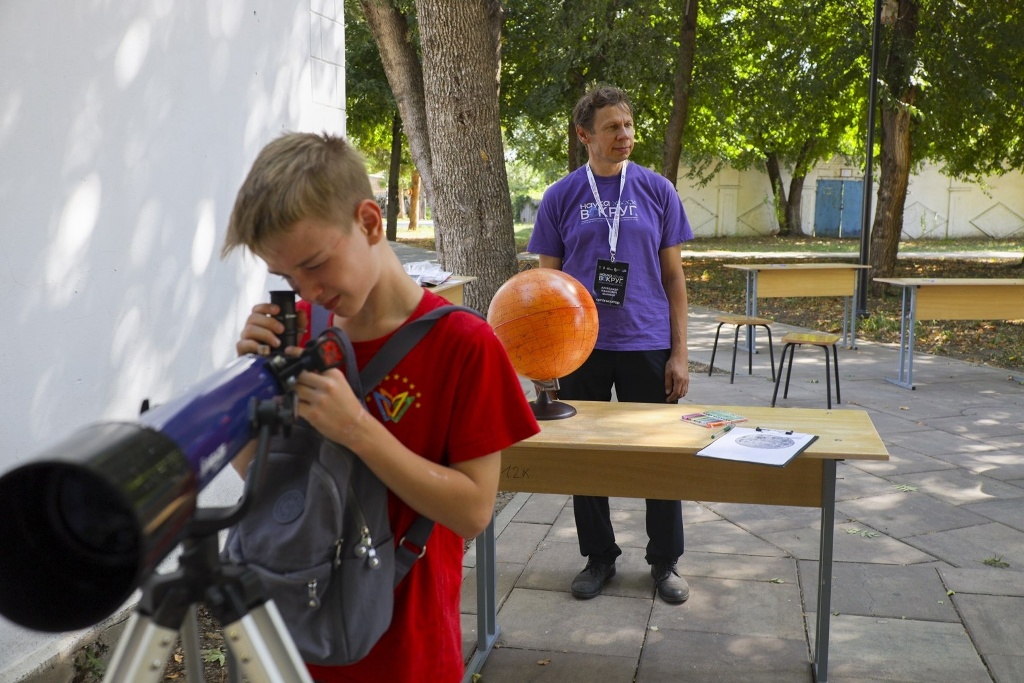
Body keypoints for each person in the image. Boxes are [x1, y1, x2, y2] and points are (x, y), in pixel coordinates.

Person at [220, 131, 540, 682]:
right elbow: (261, 477)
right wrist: (251, 387)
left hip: (407, 651)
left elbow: (472, 511)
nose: (306, 290)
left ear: (369, 222)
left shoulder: (464, 345)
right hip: (298, 639)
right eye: (288, 277)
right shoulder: (300, 331)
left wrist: (357, 429)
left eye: (315, 264)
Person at [526, 85, 693, 604]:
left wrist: (680, 353)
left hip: (647, 340)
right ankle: (599, 557)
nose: (625, 135)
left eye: (628, 125)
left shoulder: (657, 190)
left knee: (660, 456)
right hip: (583, 348)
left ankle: (664, 561)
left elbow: (674, 278)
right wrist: (546, 360)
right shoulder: (561, 197)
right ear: (584, 135)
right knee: (586, 457)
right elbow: (546, 288)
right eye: (612, 127)